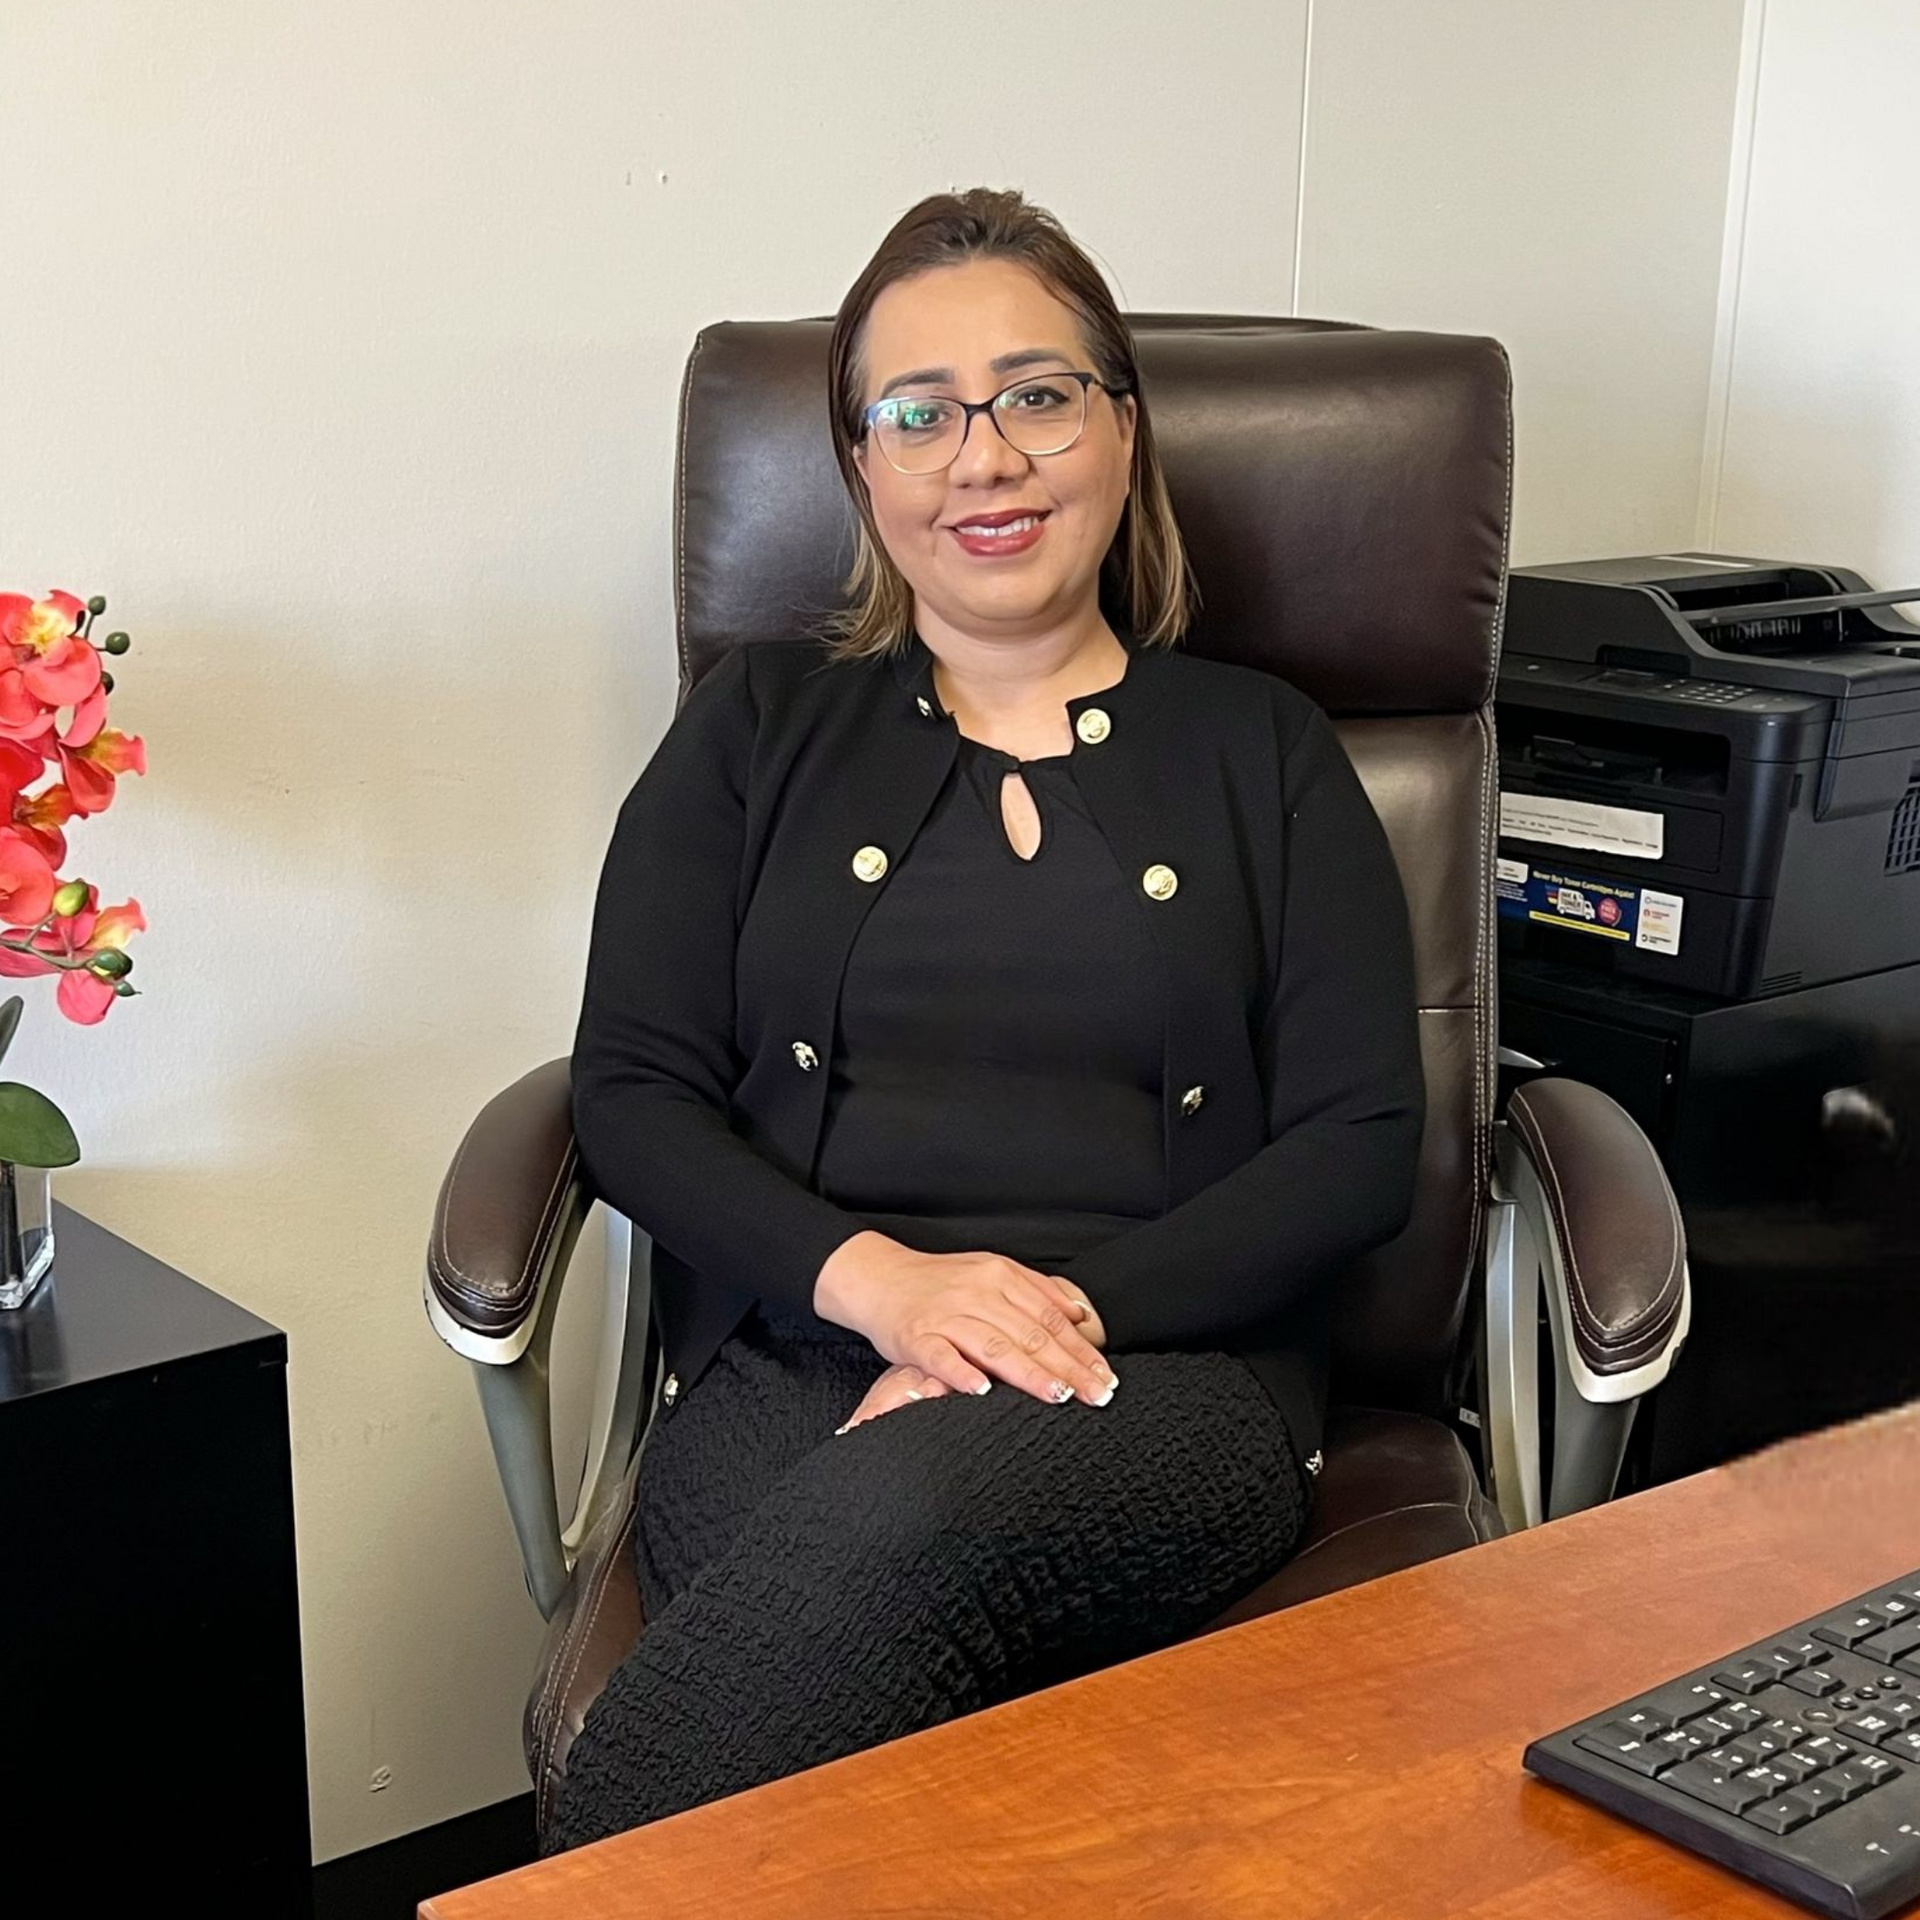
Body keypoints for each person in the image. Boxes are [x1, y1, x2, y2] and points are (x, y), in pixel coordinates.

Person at [549, 187, 1424, 1851]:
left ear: (1121, 426)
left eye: (1036, 395)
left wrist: (1021, 1323)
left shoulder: (1268, 751)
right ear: (863, 469)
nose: (984, 455)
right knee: (861, 1626)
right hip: (795, 1361)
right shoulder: (755, 733)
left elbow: (1359, 1147)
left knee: (888, 1533)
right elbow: (634, 1095)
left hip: (1154, 1371)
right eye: (919, 413)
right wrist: (886, 1292)